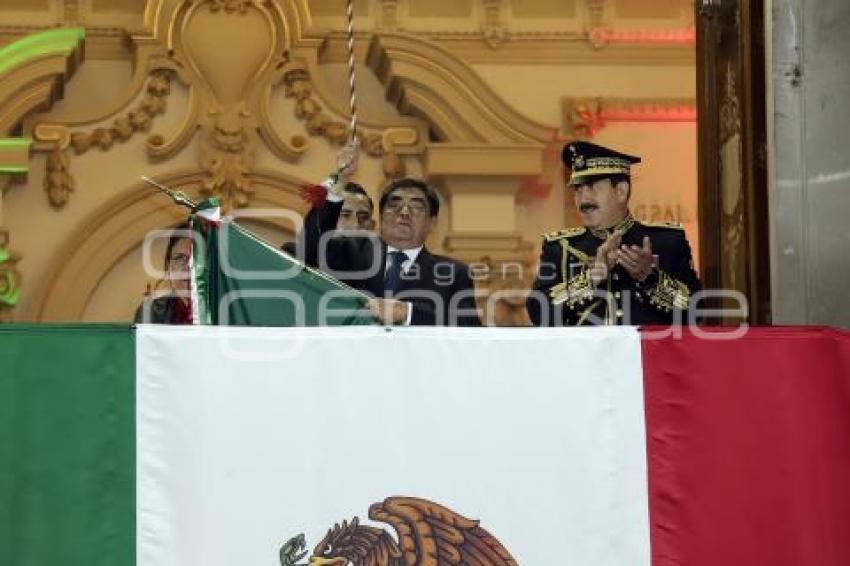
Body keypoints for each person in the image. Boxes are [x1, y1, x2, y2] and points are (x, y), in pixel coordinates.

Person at [298, 148, 481, 326]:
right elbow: (313, 245)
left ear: (432, 222)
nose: (404, 212)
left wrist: (408, 313)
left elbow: (469, 329)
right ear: (381, 217)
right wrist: (340, 179)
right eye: (394, 205)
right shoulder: (351, 252)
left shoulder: (454, 273)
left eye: (416, 206)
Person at [527, 141, 700, 326]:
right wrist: (589, 280)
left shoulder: (667, 241)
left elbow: (696, 313)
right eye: (577, 189)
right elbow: (538, 312)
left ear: (621, 191)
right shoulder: (559, 248)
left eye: (592, 187)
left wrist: (650, 278)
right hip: (585, 355)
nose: (582, 199)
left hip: (646, 354)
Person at [281, 182, 375, 256]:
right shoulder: (292, 256)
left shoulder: (370, 277)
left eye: (364, 218)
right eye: (345, 215)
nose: (356, 225)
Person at [134, 226, 193, 324]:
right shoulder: (151, 312)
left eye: (195, 259)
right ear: (168, 266)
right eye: (179, 258)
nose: (187, 267)